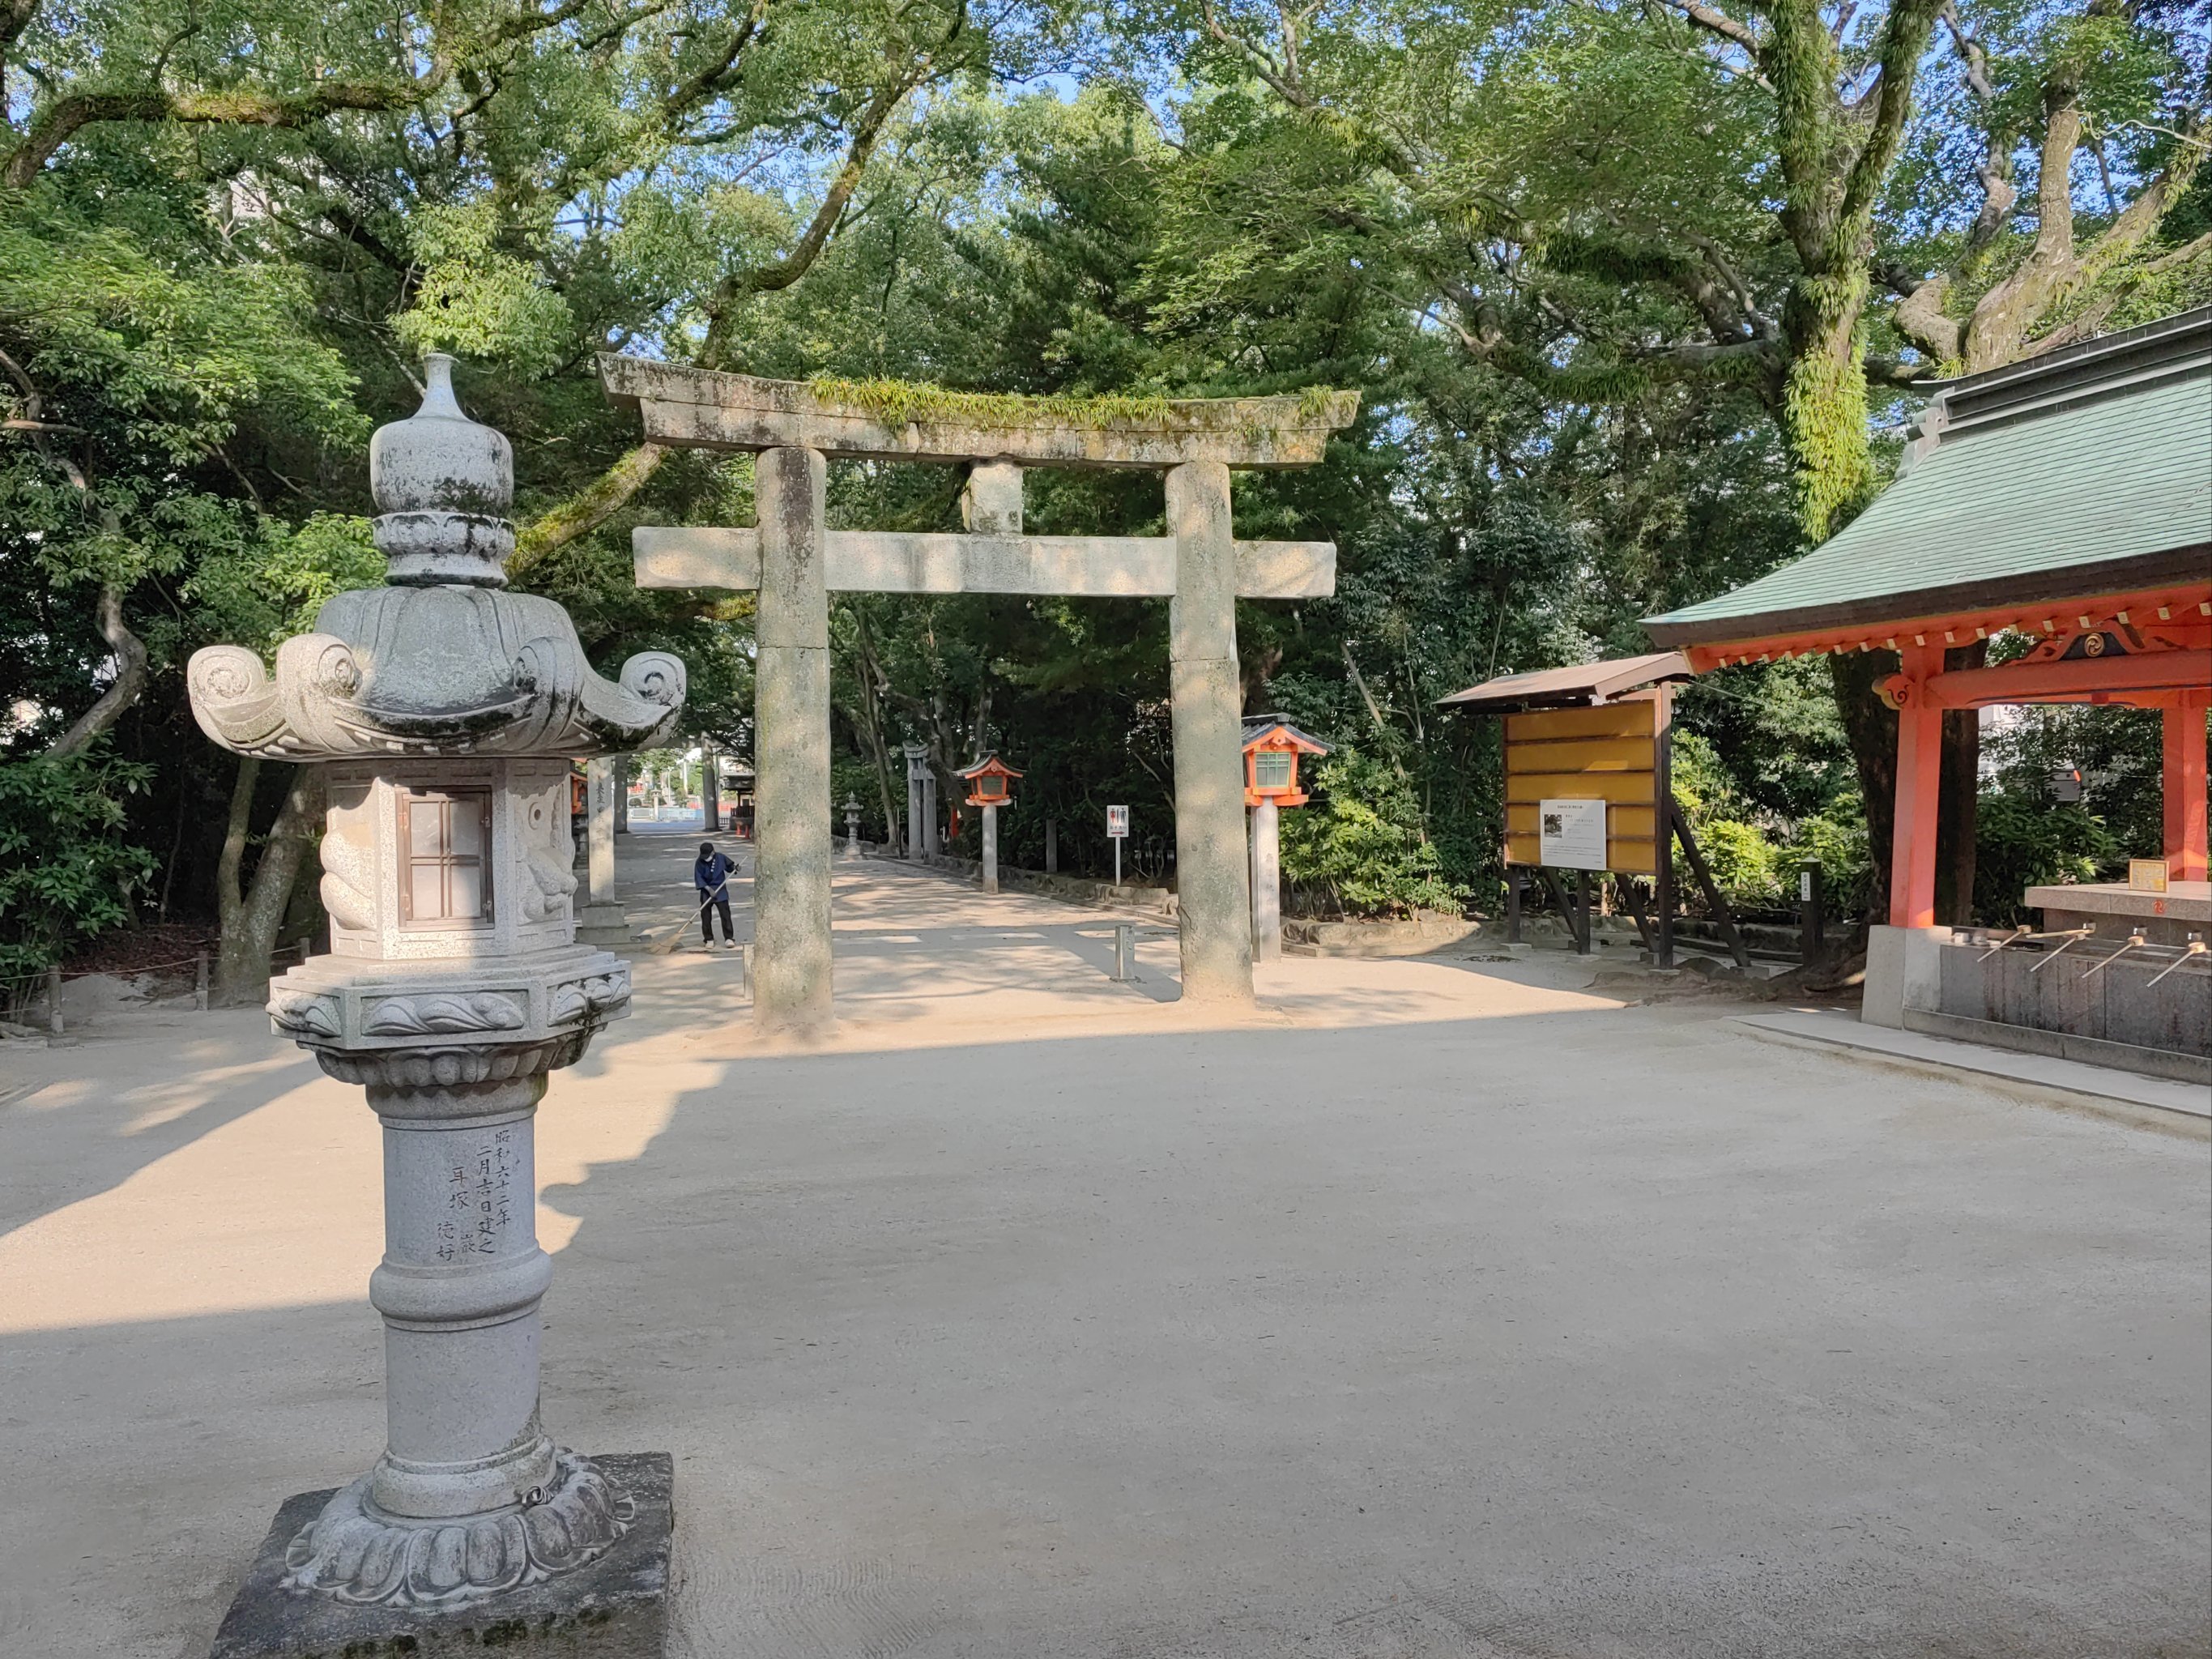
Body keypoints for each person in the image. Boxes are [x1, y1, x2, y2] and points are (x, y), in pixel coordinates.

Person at [694, 841, 737, 949]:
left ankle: (729, 938)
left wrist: (735, 868)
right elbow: (698, 877)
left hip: (720, 889)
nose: (705, 858)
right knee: (706, 916)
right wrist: (708, 889)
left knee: (725, 914)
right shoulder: (699, 862)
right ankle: (708, 938)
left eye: (707, 856)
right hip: (706, 889)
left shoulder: (721, 858)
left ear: (713, 852)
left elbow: (730, 867)